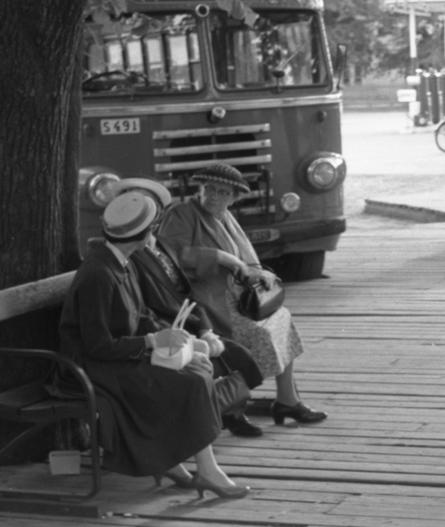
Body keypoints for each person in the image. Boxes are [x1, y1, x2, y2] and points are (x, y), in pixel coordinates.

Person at [58, 192, 249, 499]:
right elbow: (97, 346)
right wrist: (153, 342)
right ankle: (207, 471)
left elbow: (140, 315)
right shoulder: (99, 274)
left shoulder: (120, 261)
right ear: (144, 234)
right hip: (95, 368)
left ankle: (174, 463)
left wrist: (184, 341)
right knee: (192, 381)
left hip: (117, 358)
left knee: (198, 368)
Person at [159, 163, 328, 426]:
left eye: (222, 193)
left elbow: (248, 259)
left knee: (281, 319)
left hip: (237, 297)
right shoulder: (182, 213)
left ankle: (287, 401)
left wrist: (259, 274)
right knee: (261, 333)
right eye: (208, 189)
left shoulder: (224, 216)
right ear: (199, 189)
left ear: (234, 198)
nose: (213, 196)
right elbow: (170, 256)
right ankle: (230, 405)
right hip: (206, 300)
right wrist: (219, 257)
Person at [112, 178, 267, 439]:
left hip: (188, 318)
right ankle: (214, 414)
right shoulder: (129, 254)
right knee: (225, 356)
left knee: (242, 356)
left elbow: (183, 293)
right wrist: (186, 334)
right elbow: (140, 310)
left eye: (152, 209)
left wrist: (204, 328)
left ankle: (221, 410)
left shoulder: (159, 246)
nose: (148, 216)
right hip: (164, 333)